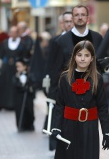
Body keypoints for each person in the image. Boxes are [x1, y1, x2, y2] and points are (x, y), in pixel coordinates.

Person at [51, 40, 109, 159]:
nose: (83, 59)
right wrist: (56, 126)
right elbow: (60, 105)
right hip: (68, 127)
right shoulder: (65, 77)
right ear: (74, 57)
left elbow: (103, 107)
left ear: (92, 58)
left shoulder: (97, 78)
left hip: (90, 128)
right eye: (79, 55)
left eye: (87, 55)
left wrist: (106, 132)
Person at [43, 11, 74, 151]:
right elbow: (50, 64)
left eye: (71, 21)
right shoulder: (55, 40)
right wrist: (50, 82)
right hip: (58, 84)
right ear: (62, 23)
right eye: (67, 21)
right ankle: (54, 144)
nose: (69, 24)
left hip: (75, 84)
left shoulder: (79, 40)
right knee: (56, 113)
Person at [0, 26, 24, 110]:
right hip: (6, 69)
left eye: (14, 32)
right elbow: (1, 55)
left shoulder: (22, 43)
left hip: (16, 69)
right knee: (5, 85)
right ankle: (4, 104)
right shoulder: (5, 42)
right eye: (11, 32)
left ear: (17, 33)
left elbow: (23, 56)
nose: (12, 34)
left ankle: (15, 104)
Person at [13, 58, 36, 132]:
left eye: (19, 66)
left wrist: (29, 88)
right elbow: (15, 84)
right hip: (19, 97)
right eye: (17, 67)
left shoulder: (30, 75)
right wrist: (22, 87)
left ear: (25, 66)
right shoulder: (16, 76)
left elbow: (34, 84)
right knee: (20, 111)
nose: (17, 68)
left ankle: (29, 125)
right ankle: (21, 125)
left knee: (29, 110)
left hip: (28, 97)